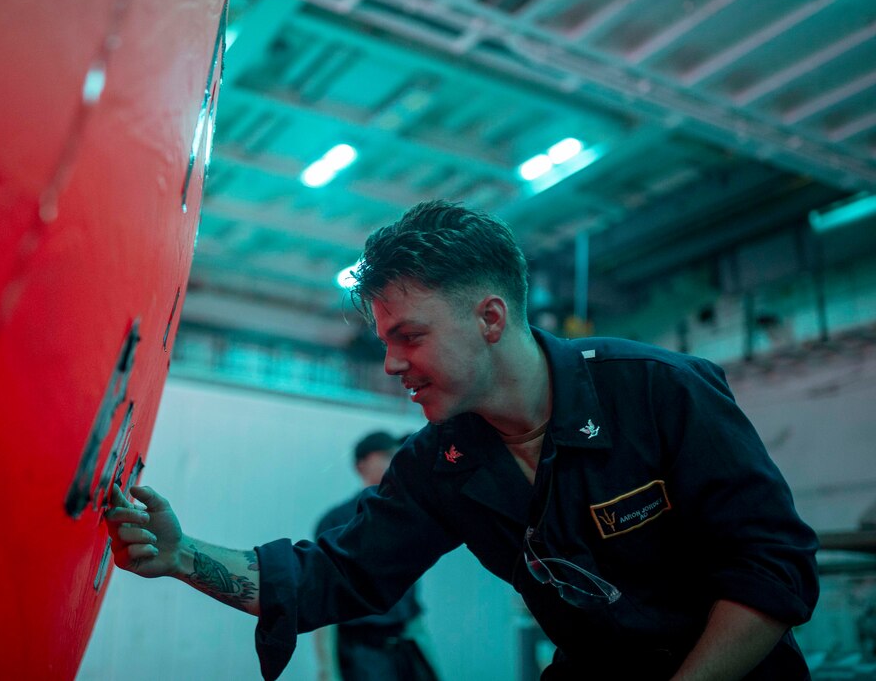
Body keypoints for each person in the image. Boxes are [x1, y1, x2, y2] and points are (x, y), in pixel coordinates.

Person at [106, 200, 819, 680]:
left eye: (408, 336)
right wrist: (179, 555)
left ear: (489, 316)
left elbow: (771, 567)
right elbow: (332, 573)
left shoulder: (662, 390)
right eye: (384, 341)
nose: (389, 364)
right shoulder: (440, 464)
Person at [313, 431, 438, 681]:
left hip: (404, 648)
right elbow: (322, 595)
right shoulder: (338, 520)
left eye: (396, 454)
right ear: (361, 464)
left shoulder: (407, 514)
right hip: (363, 654)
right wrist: (327, 668)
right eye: (386, 455)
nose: (394, 460)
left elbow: (409, 601)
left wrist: (428, 660)